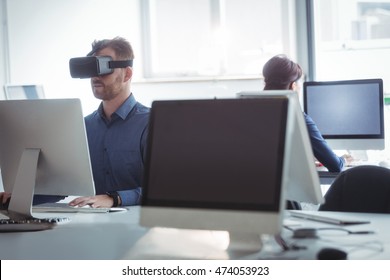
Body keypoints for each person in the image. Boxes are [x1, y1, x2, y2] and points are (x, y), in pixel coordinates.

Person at [1, 37, 150, 208]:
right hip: (95, 226)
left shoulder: (150, 124)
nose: (95, 76)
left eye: (103, 67)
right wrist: (19, 197)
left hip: (139, 225)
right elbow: (63, 186)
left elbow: (164, 189)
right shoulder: (83, 127)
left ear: (127, 74)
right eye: (91, 69)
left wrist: (114, 198)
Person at [262, 54, 352, 173]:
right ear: (293, 86)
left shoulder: (251, 111)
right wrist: (344, 160)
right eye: (299, 83)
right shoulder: (298, 119)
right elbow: (335, 165)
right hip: (289, 190)